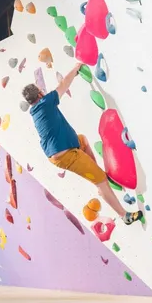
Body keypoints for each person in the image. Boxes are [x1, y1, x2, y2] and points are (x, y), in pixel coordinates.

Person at [23, 62, 143, 226]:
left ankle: (98, 177)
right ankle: (124, 215)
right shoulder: (46, 103)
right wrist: (76, 67)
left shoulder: (36, 110)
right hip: (65, 156)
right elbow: (64, 84)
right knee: (100, 179)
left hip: (65, 148)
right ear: (39, 94)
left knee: (83, 140)